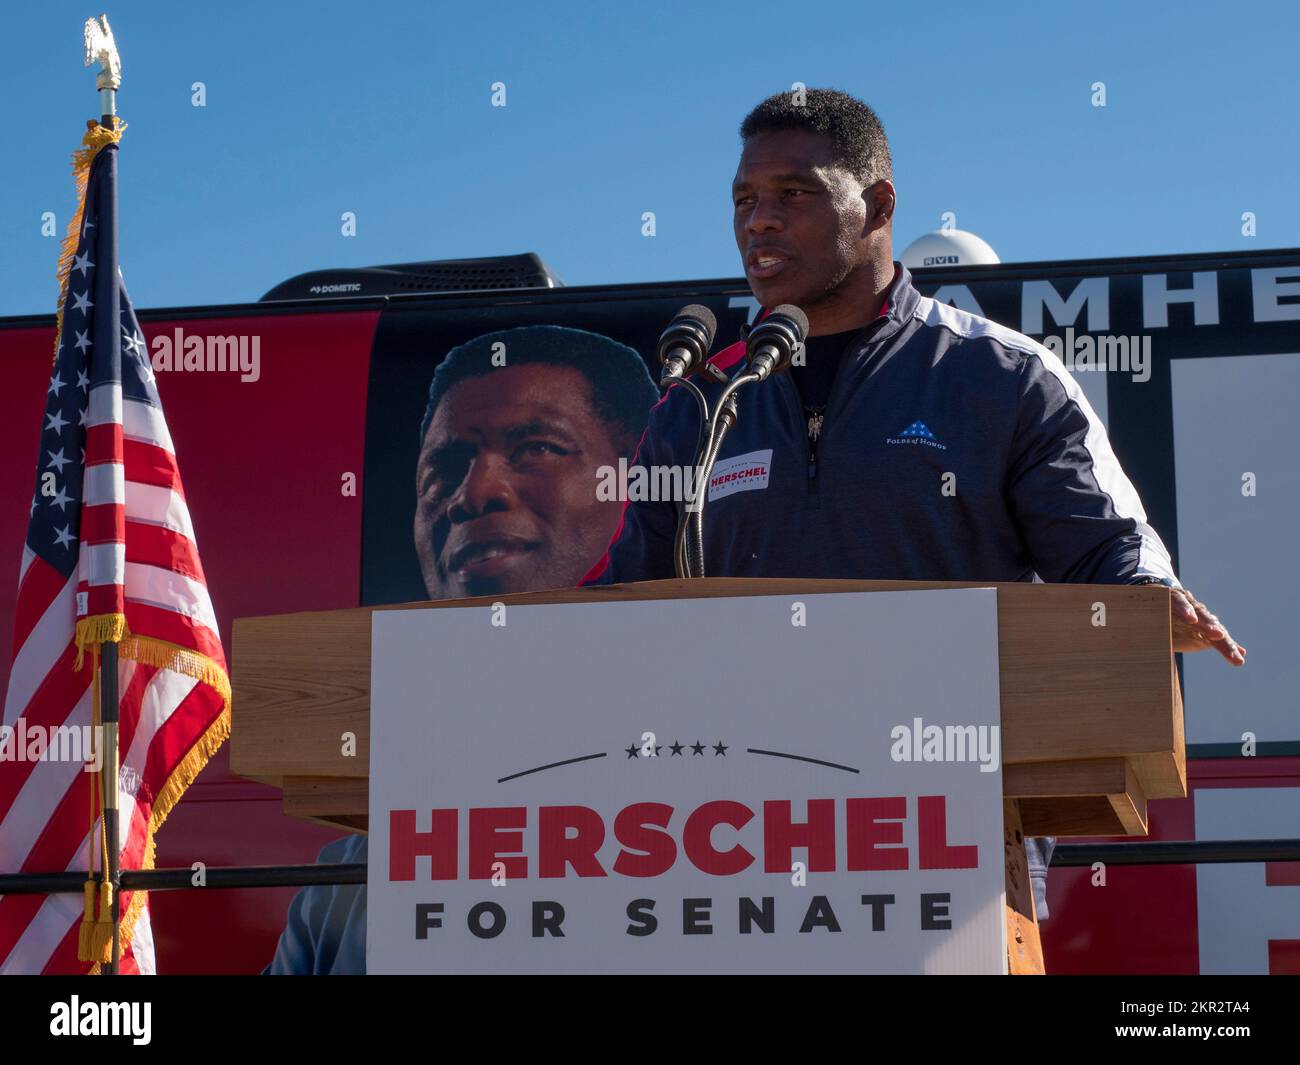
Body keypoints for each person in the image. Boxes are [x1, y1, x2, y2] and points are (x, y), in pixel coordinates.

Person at [581, 88, 1246, 925]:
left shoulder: (999, 377)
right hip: (731, 855)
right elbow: (616, 598)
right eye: (744, 201)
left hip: (946, 849)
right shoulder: (703, 402)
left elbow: (1103, 547)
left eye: (795, 194)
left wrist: (1149, 595)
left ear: (879, 206)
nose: (759, 223)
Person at [264, 325, 658, 974]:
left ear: (639, 483)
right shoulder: (351, 874)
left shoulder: (709, 823)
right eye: (444, 468)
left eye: (537, 448)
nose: (476, 492)